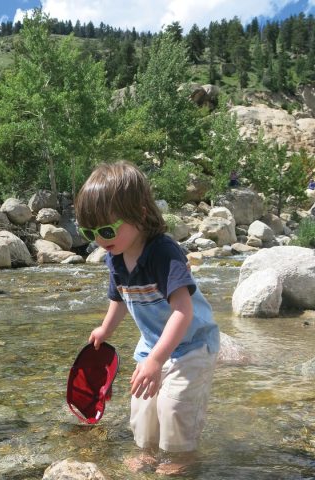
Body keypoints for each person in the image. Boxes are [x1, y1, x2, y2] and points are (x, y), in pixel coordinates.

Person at [74, 161, 220, 476]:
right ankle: (148, 452)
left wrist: (156, 360)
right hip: (153, 343)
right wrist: (105, 329)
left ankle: (183, 456)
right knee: (142, 405)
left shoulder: (163, 253)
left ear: (139, 214)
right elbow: (119, 298)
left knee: (174, 406)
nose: (100, 239)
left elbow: (183, 311)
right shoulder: (115, 256)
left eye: (107, 230)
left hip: (192, 344)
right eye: (90, 232)